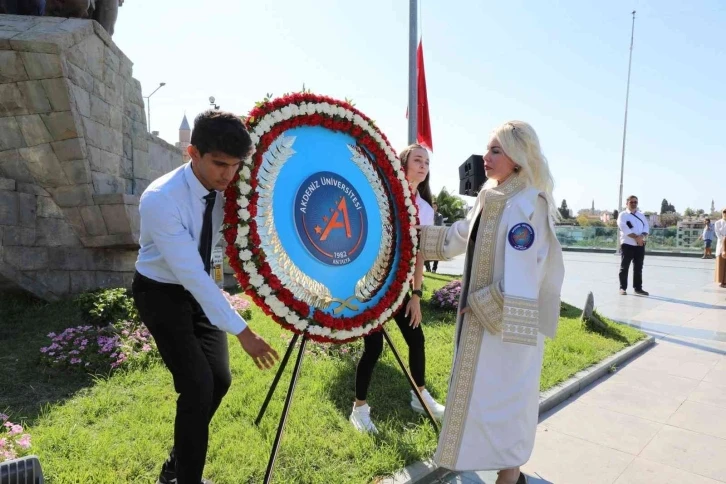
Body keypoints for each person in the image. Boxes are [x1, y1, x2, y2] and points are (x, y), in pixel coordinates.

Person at [132, 110, 280, 484]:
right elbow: (192, 276)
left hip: (201, 290)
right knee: (197, 386)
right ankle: (187, 479)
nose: (228, 176)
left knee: (220, 380)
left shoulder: (230, 187)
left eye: (235, 166)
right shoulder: (161, 200)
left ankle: (175, 466)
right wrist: (243, 331)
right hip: (161, 293)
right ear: (191, 152)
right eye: (219, 164)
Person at [417, 121, 564, 484]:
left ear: (517, 157)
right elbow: (459, 236)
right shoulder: (489, 196)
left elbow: (531, 267)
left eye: (496, 150)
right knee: (482, 403)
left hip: (509, 329)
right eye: (487, 149)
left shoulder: (530, 203)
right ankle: (509, 474)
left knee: (506, 402)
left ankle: (510, 474)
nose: (486, 157)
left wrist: (485, 304)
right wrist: (411, 237)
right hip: (481, 327)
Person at [349, 143, 446, 434]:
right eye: (417, 160)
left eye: (427, 163)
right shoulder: (384, 196)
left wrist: (415, 295)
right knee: (374, 346)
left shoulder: (425, 210)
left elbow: (419, 255)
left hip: (402, 287)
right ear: (402, 164)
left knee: (416, 339)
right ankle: (359, 409)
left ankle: (419, 395)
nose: (423, 166)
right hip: (374, 284)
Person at [617, 195, 650, 296]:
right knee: (624, 267)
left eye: (635, 202)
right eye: (631, 202)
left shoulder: (641, 215)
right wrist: (637, 238)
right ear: (627, 203)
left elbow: (646, 227)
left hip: (640, 245)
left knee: (638, 267)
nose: (634, 204)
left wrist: (641, 237)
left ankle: (638, 288)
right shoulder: (623, 215)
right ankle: (622, 288)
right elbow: (624, 229)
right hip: (627, 244)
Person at [424, 202, 445, 273]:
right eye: (432, 207)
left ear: (437, 207)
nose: (433, 208)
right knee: (425, 251)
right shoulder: (427, 215)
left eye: (435, 207)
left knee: (436, 252)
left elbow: (438, 225)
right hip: (427, 235)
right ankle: (427, 268)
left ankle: (434, 269)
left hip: (436, 236)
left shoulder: (439, 216)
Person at [715, 209, 726, 288]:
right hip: (721, 243)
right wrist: (724, 239)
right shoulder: (718, 223)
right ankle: (722, 281)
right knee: (721, 263)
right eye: (724, 212)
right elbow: (717, 233)